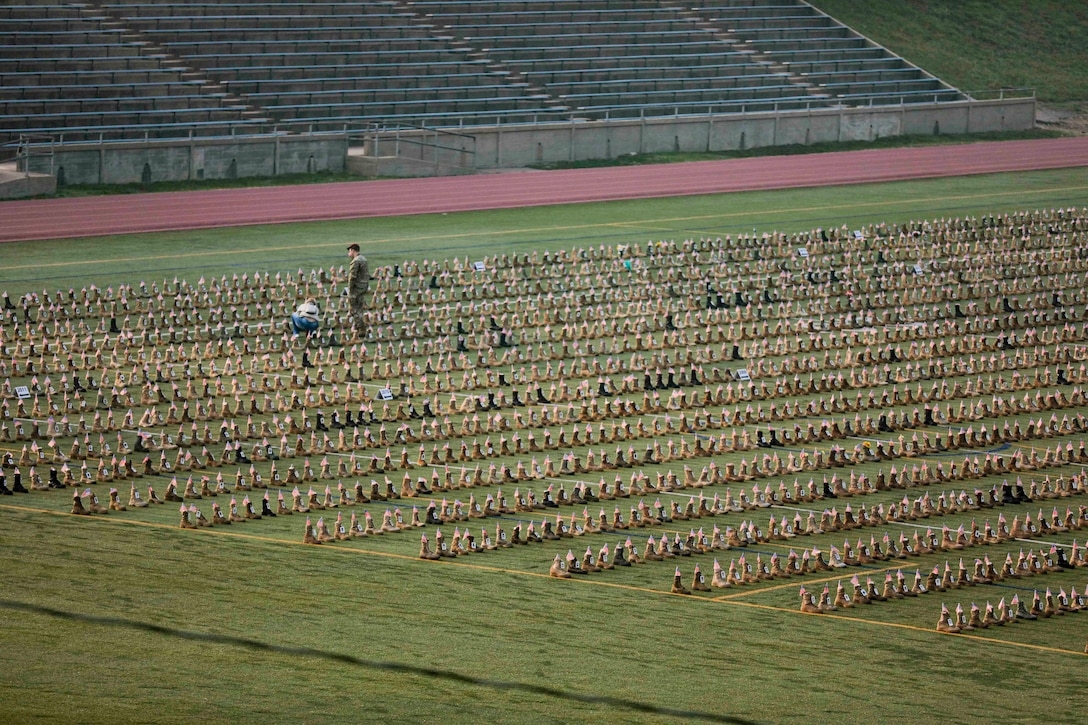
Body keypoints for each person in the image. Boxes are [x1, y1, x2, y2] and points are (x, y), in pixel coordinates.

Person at [346, 243, 370, 339]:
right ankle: (357, 326)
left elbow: (352, 277)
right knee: (359, 307)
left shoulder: (355, 261)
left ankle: (361, 328)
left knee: (354, 309)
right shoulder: (363, 259)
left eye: (349, 251)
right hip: (363, 286)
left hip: (356, 288)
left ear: (353, 250)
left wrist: (350, 291)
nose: (349, 253)